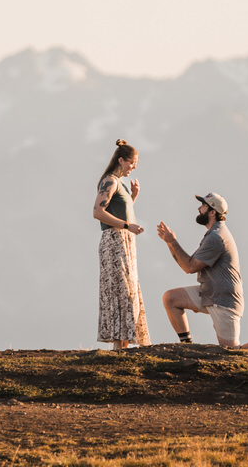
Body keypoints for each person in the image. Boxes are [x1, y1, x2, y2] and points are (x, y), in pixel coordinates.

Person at [157, 192, 248, 356]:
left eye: (203, 206)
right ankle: (188, 347)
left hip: (224, 299)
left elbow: (189, 267)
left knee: (233, 352)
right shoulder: (213, 233)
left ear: (212, 212)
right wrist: (170, 242)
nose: (198, 208)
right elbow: (187, 265)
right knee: (171, 298)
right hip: (210, 292)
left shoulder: (216, 237)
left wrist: (172, 242)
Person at [92, 140, 151, 350]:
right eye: (131, 163)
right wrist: (127, 225)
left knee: (128, 289)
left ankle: (123, 344)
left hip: (124, 241)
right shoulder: (109, 181)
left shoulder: (119, 183)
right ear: (121, 160)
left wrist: (133, 197)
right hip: (115, 241)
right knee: (121, 290)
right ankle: (118, 345)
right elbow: (98, 212)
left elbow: (116, 211)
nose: (133, 167)